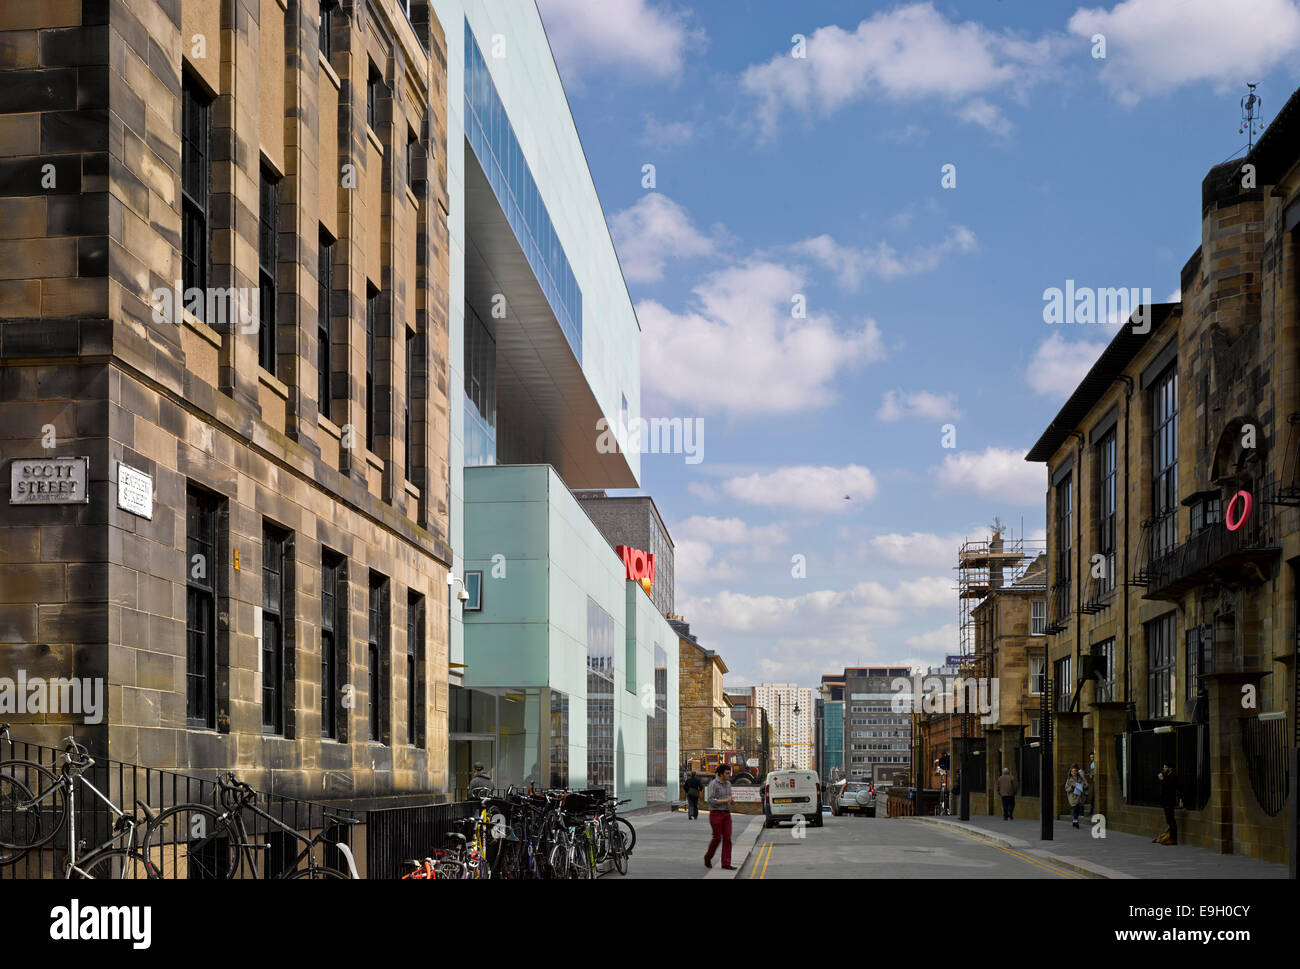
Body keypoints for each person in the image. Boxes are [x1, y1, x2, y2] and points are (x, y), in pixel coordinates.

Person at [703, 764, 737, 870]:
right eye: (727, 773)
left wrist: (731, 801)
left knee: (727, 838)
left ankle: (726, 863)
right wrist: (725, 800)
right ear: (721, 774)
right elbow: (710, 800)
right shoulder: (713, 784)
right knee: (717, 838)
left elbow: (728, 798)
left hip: (726, 813)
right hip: (715, 813)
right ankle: (708, 857)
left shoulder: (728, 784)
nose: (729, 775)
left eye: (729, 773)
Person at [1156, 762, 1178, 845]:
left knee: (1171, 820)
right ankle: (1168, 837)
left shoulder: (1173, 777)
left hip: (1170, 801)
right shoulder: (1167, 776)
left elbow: (1169, 787)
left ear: (1170, 768)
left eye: (1165, 767)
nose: (1164, 769)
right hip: (1165, 801)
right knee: (1169, 820)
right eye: (1163, 767)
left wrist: (1162, 779)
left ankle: (1173, 839)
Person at [1065, 764, 1089, 829]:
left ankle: (1074, 820)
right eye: (1072, 771)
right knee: (1075, 808)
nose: (1074, 772)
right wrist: (1072, 787)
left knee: (1078, 809)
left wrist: (1082, 785)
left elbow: (1086, 785)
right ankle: (1076, 821)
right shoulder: (1069, 780)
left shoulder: (1080, 778)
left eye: (1075, 771)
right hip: (1072, 796)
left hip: (1079, 795)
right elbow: (1066, 788)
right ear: (1070, 772)